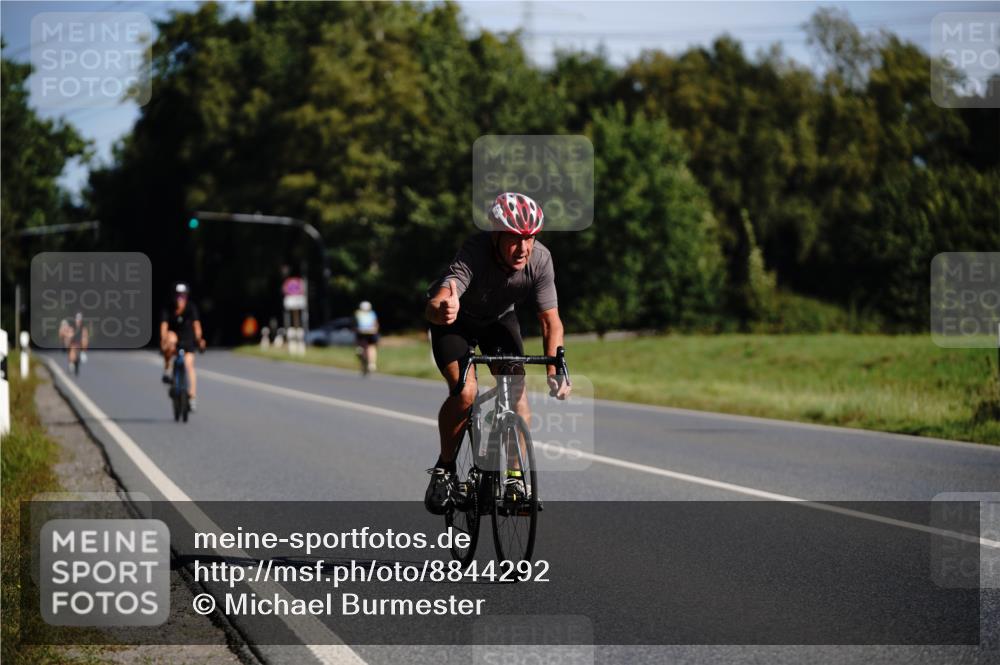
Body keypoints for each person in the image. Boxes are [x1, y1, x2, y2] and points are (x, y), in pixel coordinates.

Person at [423, 192, 571, 515]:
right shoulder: (475, 252)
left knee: (516, 393)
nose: (523, 248)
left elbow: (551, 321)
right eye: (515, 240)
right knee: (466, 392)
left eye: (529, 238)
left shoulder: (541, 260)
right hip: (457, 323)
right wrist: (442, 309)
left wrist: (555, 371)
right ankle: (445, 470)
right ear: (495, 235)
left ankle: (515, 480)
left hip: (498, 320)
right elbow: (443, 295)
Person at [160, 283, 206, 410]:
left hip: (188, 339)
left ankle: (192, 397)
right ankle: (168, 369)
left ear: (186, 297)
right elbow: (164, 326)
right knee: (170, 338)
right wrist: (163, 340)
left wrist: (199, 339)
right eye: (177, 296)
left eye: (182, 296)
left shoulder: (191, 308)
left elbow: (197, 326)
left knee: (189, 365)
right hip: (174, 338)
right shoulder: (168, 308)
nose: (180, 299)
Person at [354, 301, 380, 372]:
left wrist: (375, 329)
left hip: (367, 333)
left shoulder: (369, 314)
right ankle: (368, 363)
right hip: (365, 333)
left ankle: (370, 363)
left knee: (369, 347)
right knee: (366, 348)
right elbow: (376, 323)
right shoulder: (361, 313)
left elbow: (375, 323)